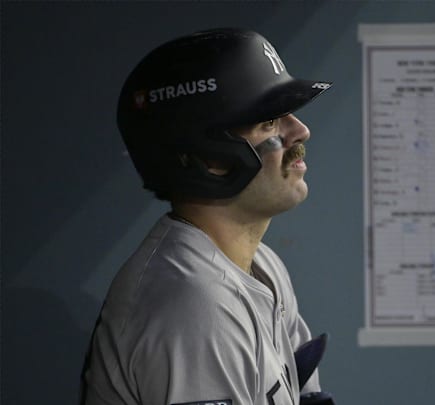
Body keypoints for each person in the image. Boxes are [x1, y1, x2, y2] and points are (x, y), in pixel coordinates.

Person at [80, 28, 334, 405]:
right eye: (269, 122)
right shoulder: (193, 305)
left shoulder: (264, 265)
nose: (300, 131)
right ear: (208, 159)